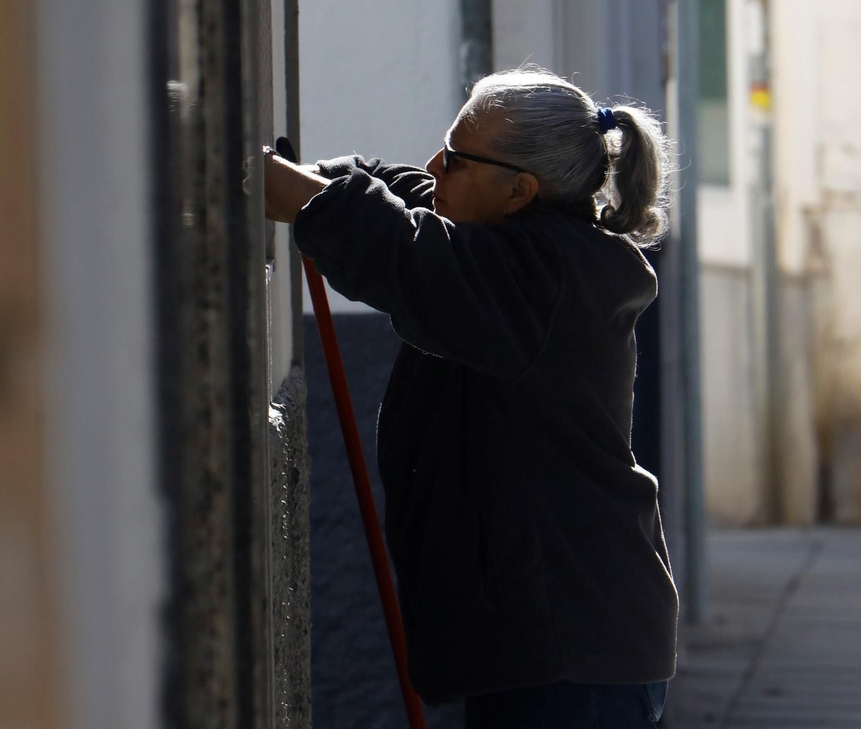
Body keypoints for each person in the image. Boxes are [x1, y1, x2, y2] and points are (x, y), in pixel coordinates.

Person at [264, 67, 679, 729]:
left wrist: (265, 182)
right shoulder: (513, 238)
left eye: (456, 159)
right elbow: (399, 189)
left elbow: (405, 250)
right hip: (552, 639)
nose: (436, 166)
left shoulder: (544, 281)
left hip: (574, 648)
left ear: (520, 190)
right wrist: (307, 181)